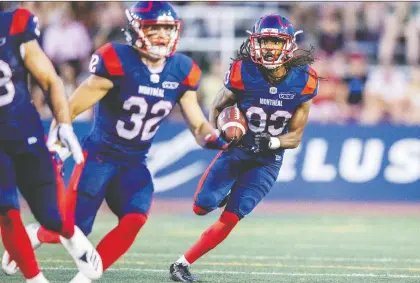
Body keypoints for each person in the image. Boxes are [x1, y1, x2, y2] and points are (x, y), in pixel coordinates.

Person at [2, 2, 228, 283]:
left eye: (166, 28)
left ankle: (83, 280)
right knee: (72, 228)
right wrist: (57, 150)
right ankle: (35, 233)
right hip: (99, 158)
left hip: (134, 162)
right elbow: (69, 110)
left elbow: (197, 124)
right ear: (136, 30)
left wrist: (214, 137)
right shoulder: (117, 60)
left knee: (135, 218)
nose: (160, 35)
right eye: (152, 28)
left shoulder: (182, 70)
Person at [169, 14, 319, 282]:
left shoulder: (304, 79)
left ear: (288, 44)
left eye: (276, 41)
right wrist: (222, 129)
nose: (270, 47)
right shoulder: (243, 71)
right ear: (254, 42)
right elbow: (217, 106)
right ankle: (222, 194)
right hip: (237, 149)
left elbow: (295, 137)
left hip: (268, 160)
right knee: (201, 207)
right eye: (265, 41)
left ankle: (182, 264)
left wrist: (271, 142)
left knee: (231, 217)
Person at [0, 7, 103, 283]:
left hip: (25, 134)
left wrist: (65, 124)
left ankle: (70, 235)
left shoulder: (13, 24)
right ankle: (36, 279)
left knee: (52, 217)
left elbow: (49, 79)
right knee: (7, 210)